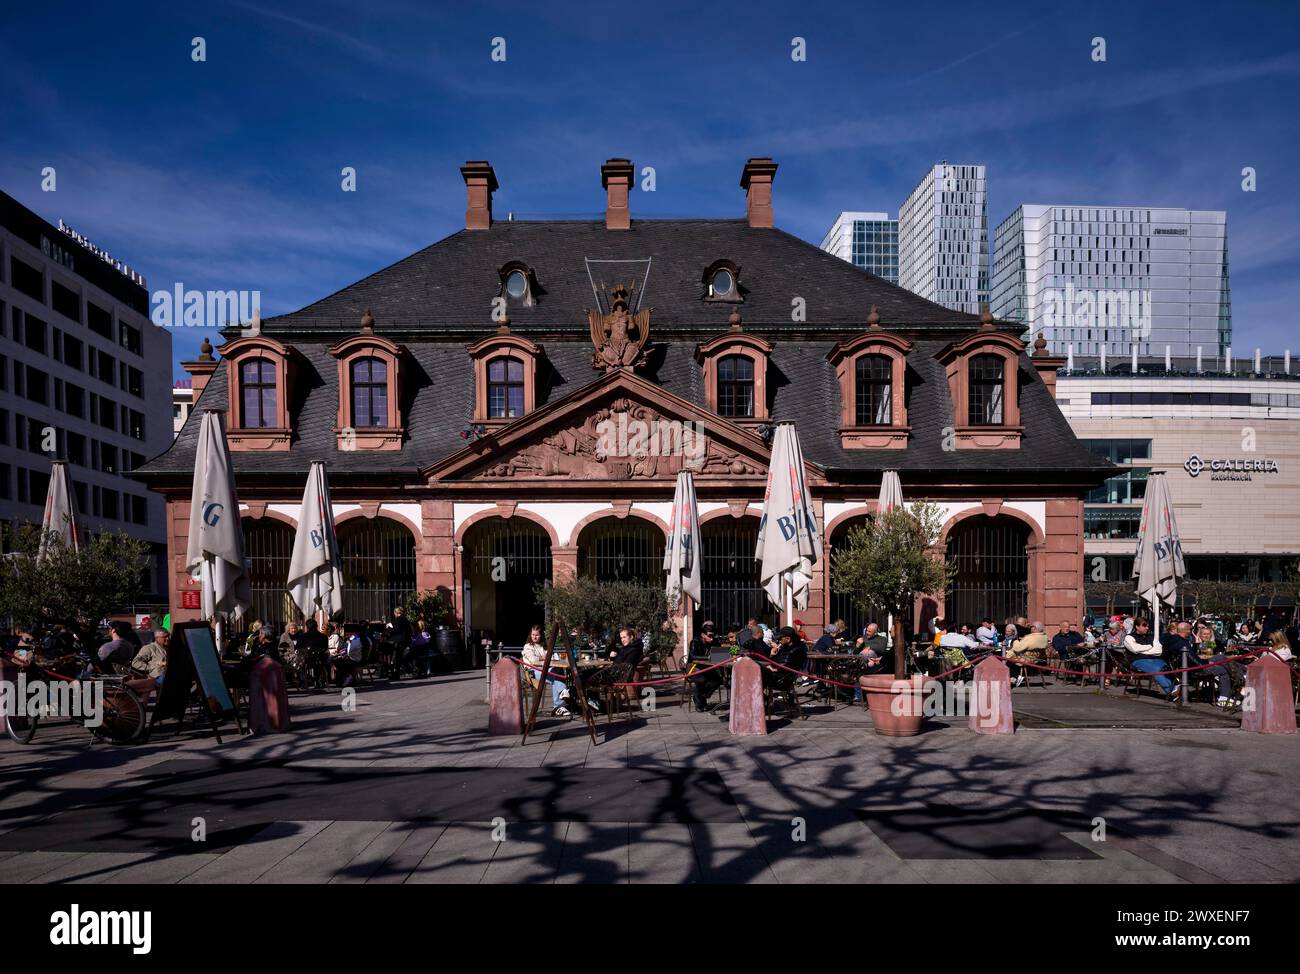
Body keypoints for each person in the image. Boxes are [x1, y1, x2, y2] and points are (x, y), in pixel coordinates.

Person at [521, 624, 570, 715]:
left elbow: (553, 656)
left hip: (545, 670)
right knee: (555, 674)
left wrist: (545, 657)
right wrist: (544, 658)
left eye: (537, 635)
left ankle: (559, 703)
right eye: (533, 635)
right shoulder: (528, 646)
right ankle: (561, 699)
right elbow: (533, 660)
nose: (534, 637)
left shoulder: (544, 646)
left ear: (541, 635)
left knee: (556, 671)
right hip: (533, 672)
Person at [1124, 617, 1177, 699]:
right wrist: (1150, 646)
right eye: (1144, 625)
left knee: (1165, 667)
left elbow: (1159, 650)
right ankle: (1172, 692)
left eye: (1147, 626)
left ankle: (1176, 689)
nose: (1147, 628)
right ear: (1137, 627)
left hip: (1155, 659)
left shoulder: (1152, 637)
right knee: (1156, 669)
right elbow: (1135, 649)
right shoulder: (1129, 637)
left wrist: (1142, 650)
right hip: (1137, 661)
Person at [126, 628, 170, 700]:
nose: (168, 638)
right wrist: (152, 667)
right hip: (158, 676)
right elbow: (135, 662)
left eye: (168, 636)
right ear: (157, 638)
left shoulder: (169, 647)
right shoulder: (149, 648)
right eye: (164, 637)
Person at [1004, 621, 1049, 687]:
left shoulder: (1032, 638)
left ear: (1035, 628)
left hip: (1024, 658)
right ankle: (1014, 677)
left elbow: (1018, 648)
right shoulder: (1043, 637)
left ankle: (1016, 677)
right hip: (1034, 658)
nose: (1030, 628)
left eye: (1032, 627)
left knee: (1003, 660)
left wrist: (1015, 641)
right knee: (1006, 659)